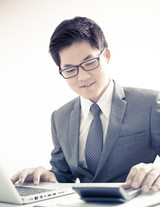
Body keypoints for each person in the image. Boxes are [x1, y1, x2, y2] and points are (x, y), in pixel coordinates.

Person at [12, 16, 160, 193]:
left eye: (89, 63)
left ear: (106, 55)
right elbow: (62, 175)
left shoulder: (149, 104)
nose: (82, 77)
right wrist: (45, 175)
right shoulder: (59, 117)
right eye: (70, 69)